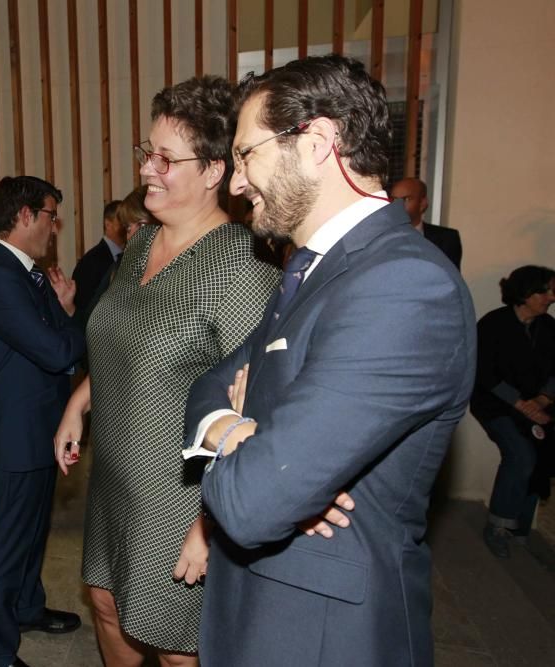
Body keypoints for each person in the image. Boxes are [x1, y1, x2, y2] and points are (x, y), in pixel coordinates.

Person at [183, 55, 476, 666]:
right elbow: (208, 385)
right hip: (265, 609)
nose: (236, 183)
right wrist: (235, 429)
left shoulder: (403, 284)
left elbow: (252, 502)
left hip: (323, 636)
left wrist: (267, 466)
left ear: (317, 142)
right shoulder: (313, 268)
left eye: (246, 155)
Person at [54, 75, 279, 666]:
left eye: (164, 158)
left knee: (177, 643)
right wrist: (78, 404)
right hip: (115, 480)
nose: (147, 169)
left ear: (212, 171)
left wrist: (209, 525)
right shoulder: (139, 244)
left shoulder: (243, 266)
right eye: (145, 153)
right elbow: (116, 340)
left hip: (182, 496)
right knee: (106, 606)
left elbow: (255, 409)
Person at [0, 175, 86, 667]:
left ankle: (26, 607)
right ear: (23, 217)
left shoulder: (24, 270)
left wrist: (66, 312)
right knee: (6, 543)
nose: (53, 228)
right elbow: (57, 350)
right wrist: (84, 329)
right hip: (16, 430)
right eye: (49, 217)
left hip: (40, 423)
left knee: (34, 531)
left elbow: (57, 336)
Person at [472, 265, 555, 558]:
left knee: (543, 453)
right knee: (521, 456)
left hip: (538, 407)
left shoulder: (549, 328)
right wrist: (524, 406)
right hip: (495, 405)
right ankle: (497, 526)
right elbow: (484, 374)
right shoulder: (493, 324)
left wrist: (543, 401)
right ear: (526, 292)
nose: (551, 297)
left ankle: (520, 524)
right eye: (545, 291)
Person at [390, 177, 462, 269]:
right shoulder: (380, 237)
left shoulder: (447, 239)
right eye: (394, 200)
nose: (398, 205)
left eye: (406, 199)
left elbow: (451, 279)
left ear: (422, 203)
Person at [71, 199, 124, 322]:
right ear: (108, 224)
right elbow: (85, 308)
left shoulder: (125, 256)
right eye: (121, 219)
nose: (125, 224)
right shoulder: (91, 261)